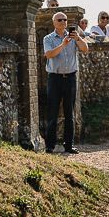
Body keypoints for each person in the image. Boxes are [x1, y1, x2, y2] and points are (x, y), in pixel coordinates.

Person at [43, 11, 88, 154]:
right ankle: (50, 146)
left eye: (65, 20)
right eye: (60, 20)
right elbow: (49, 54)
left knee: (70, 113)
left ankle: (69, 145)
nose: (63, 22)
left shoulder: (74, 37)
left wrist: (79, 38)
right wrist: (63, 44)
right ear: (54, 22)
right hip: (55, 78)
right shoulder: (48, 38)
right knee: (52, 113)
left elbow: (85, 49)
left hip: (70, 78)